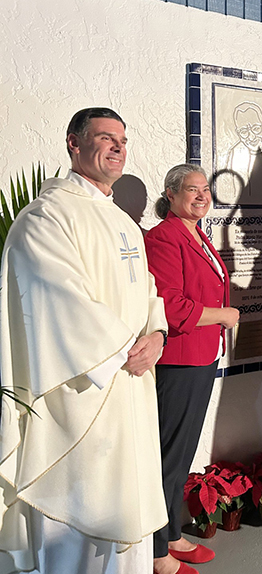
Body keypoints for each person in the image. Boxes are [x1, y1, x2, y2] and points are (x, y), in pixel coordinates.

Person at [0, 108, 168, 574]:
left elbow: (148, 290)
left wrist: (156, 334)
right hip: (82, 397)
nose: (118, 147)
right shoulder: (43, 219)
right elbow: (55, 301)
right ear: (73, 143)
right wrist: (123, 348)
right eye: (105, 138)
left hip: (131, 390)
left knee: (127, 515)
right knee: (81, 523)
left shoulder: (123, 222)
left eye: (123, 139)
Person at [145, 164, 239, 574]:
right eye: (191, 189)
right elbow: (168, 304)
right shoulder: (164, 238)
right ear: (170, 193)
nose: (202, 196)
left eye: (206, 189)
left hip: (201, 355)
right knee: (167, 457)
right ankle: (155, 553)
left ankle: (171, 533)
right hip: (180, 359)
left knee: (181, 454)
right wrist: (222, 314)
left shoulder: (197, 235)